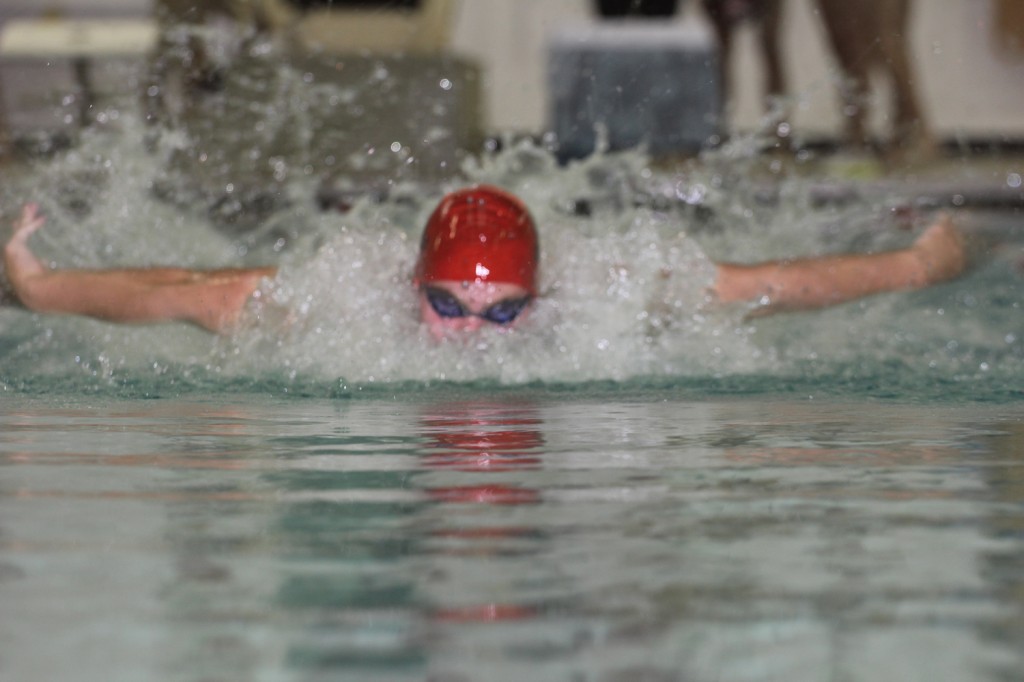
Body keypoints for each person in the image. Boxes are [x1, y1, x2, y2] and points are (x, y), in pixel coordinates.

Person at [3, 185, 966, 337]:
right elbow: (183, 295)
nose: (472, 336)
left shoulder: (609, 301)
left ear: (538, 301)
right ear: (407, 288)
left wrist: (916, 266)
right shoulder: (346, 307)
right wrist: (38, 285)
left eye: (503, 313)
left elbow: (775, 284)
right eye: (447, 308)